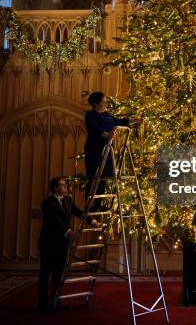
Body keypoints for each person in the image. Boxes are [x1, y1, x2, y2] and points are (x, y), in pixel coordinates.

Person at [38, 177, 100, 313]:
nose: (66, 186)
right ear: (55, 188)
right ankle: (43, 305)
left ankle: (56, 301)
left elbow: (78, 212)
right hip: (48, 243)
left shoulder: (67, 200)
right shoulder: (47, 203)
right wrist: (68, 230)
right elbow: (53, 220)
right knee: (45, 273)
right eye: (63, 184)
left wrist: (92, 221)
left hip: (62, 243)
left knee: (58, 273)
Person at [84, 92, 130, 205]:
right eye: (103, 102)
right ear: (95, 103)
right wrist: (107, 134)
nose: (106, 104)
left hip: (107, 149)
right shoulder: (90, 115)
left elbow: (119, 121)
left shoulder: (107, 115)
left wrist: (133, 120)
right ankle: (90, 205)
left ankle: (99, 204)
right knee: (94, 177)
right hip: (94, 149)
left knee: (104, 177)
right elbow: (95, 129)